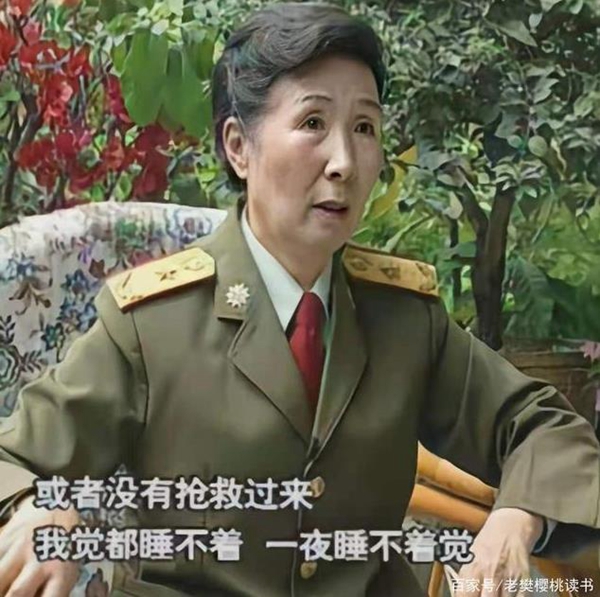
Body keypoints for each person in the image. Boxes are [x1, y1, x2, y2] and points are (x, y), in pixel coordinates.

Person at [0, 2, 599, 596]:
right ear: (239, 146)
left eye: (364, 128)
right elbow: (15, 459)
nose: (344, 163)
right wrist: (33, 508)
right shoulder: (152, 322)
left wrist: (518, 517)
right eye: (313, 123)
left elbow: (543, 426)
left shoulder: (403, 317)